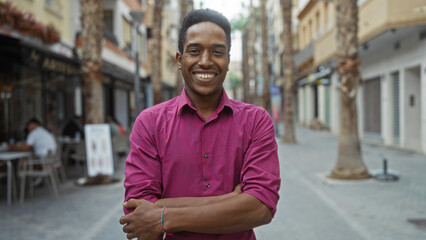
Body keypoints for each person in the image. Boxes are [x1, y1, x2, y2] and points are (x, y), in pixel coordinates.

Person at [120, 9, 280, 240]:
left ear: (226, 61)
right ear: (179, 59)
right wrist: (231, 200)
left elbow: (261, 208)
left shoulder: (256, 121)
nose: (205, 62)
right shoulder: (150, 122)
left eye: (217, 52)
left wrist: (163, 217)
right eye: (195, 51)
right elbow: (137, 212)